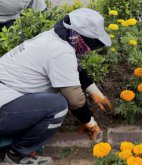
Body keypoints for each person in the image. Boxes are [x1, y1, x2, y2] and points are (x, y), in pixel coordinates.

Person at [0, 8, 112, 164]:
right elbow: (75, 100)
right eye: (92, 42)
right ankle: (17, 155)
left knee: (53, 101)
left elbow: (73, 70)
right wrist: (89, 122)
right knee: (58, 105)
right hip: (3, 109)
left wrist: (94, 91)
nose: (90, 48)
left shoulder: (54, 38)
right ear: (79, 36)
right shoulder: (61, 51)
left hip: (6, 99)